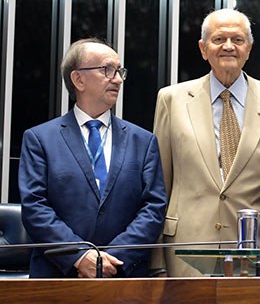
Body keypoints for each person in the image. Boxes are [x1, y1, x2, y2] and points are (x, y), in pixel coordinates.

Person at [151, 9, 260, 276]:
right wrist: (156, 260)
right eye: (219, 39)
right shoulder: (171, 100)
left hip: (259, 249)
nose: (228, 46)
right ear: (203, 48)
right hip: (187, 247)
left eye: (238, 40)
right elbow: (161, 183)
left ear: (249, 49)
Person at [19, 39, 166, 278]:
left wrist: (110, 260)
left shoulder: (144, 141)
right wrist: (79, 256)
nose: (117, 79)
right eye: (107, 70)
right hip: (58, 277)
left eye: (120, 71)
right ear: (78, 79)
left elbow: (154, 208)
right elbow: (35, 207)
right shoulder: (40, 139)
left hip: (124, 275)